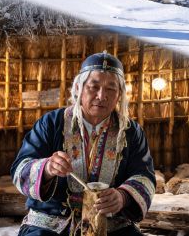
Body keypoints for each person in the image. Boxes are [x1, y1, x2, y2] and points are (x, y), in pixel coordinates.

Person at [11, 52, 155, 236]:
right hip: (52, 224)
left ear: (119, 94)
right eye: (93, 86)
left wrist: (123, 196)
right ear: (78, 88)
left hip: (111, 224)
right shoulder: (51, 123)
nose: (101, 96)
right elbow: (19, 170)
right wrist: (47, 168)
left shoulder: (131, 131)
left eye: (111, 88)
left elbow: (144, 176)